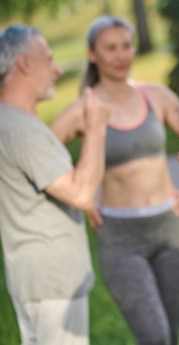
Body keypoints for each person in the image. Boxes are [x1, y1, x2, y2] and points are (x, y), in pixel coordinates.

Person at [51, 15, 179, 345]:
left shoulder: (157, 96)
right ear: (93, 54)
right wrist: (81, 198)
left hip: (170, 226)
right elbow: (43, 155)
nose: (121, 55)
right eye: (111, 48)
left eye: (127, 46)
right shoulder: (83, 110)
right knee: (154, 335)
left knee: (172, 331)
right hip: (119, 236)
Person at [0, 24, 109, 345]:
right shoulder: (21, 130)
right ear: (23, 64)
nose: (57, 70)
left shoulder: (11, 122)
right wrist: (97, 127)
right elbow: (80, 191)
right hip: (53, 282)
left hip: (32, 279)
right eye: (48, 60)